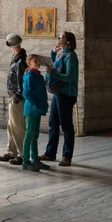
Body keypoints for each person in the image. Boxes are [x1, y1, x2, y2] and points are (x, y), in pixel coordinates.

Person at [39, 31, 79, 166]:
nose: (58, 38)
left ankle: (67, 156)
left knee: (66, 125)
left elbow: (70, 77)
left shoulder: (71, 56)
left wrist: (54, 74)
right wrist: (52, 55)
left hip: (66, 94)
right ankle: (50, 153)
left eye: (61, 36)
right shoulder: (62, 54)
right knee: (53, 123)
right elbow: (55, 67)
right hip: (58, 94)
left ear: (68, 41)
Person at [0, 33, 27, 165]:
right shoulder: (16, 57)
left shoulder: (20, 61)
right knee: (11, 126)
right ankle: (11, 151)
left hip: (17, 98)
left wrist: (17, 97)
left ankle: (22, 154)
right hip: (13, 96)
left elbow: (21, 81)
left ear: (11, 46)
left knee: (18, 126)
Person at [22, 54, 49, 172]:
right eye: (35, 61)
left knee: (35, 135)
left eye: (38, 61)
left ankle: (35, 159)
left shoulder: (38, 76)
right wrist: (36, 104)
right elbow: (26, 93)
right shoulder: (29, 76)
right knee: (29, 135)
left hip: (37, 109)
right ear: (29, 63)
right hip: (32, 109)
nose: (38, 63)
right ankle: (25, 161)